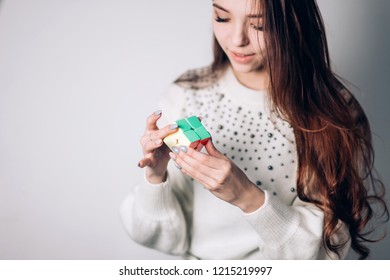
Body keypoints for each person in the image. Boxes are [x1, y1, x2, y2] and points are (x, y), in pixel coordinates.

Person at [120, 0, 388, 259]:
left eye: (260, 25)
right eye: (222, 17)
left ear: (293, 22)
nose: (238, 40)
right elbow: (161, 238)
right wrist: (156, 177)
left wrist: (248, 197)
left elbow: (325, 254)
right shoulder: (186, 92)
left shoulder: (330, 112)